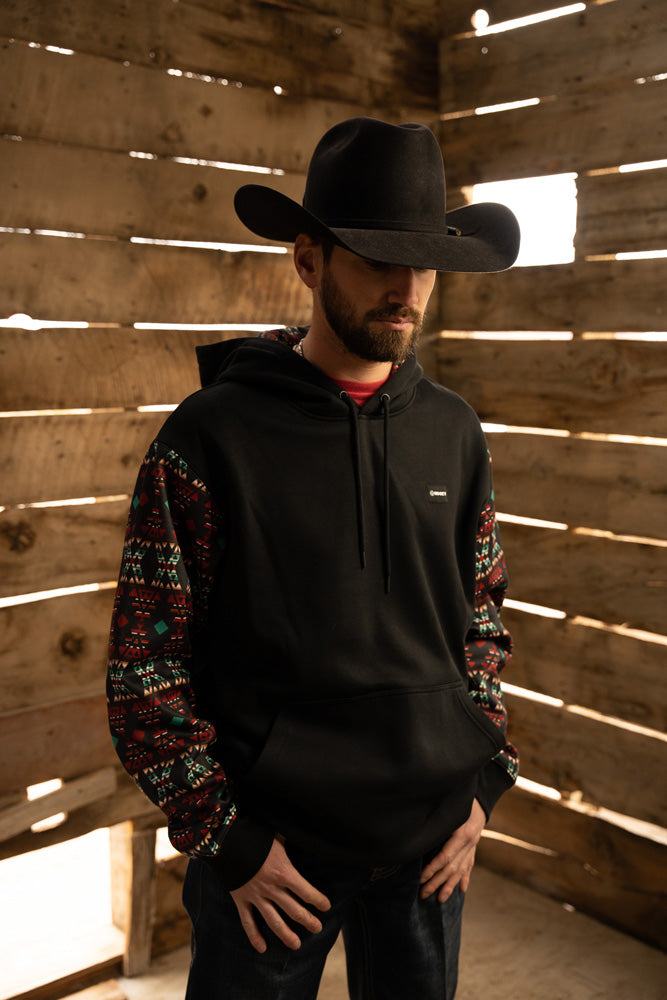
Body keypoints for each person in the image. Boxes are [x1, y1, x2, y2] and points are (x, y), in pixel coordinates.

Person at [107, 116, 520, 1000]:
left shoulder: (453, 432)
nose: (405, 289)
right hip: (271, 865)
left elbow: (482, 618)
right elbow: (144, 669)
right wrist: (229, 837)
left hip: (428, 851)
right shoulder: (208, 437)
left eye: (422, 265)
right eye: (377, 259)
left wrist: (482, 786)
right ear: (307, 259)